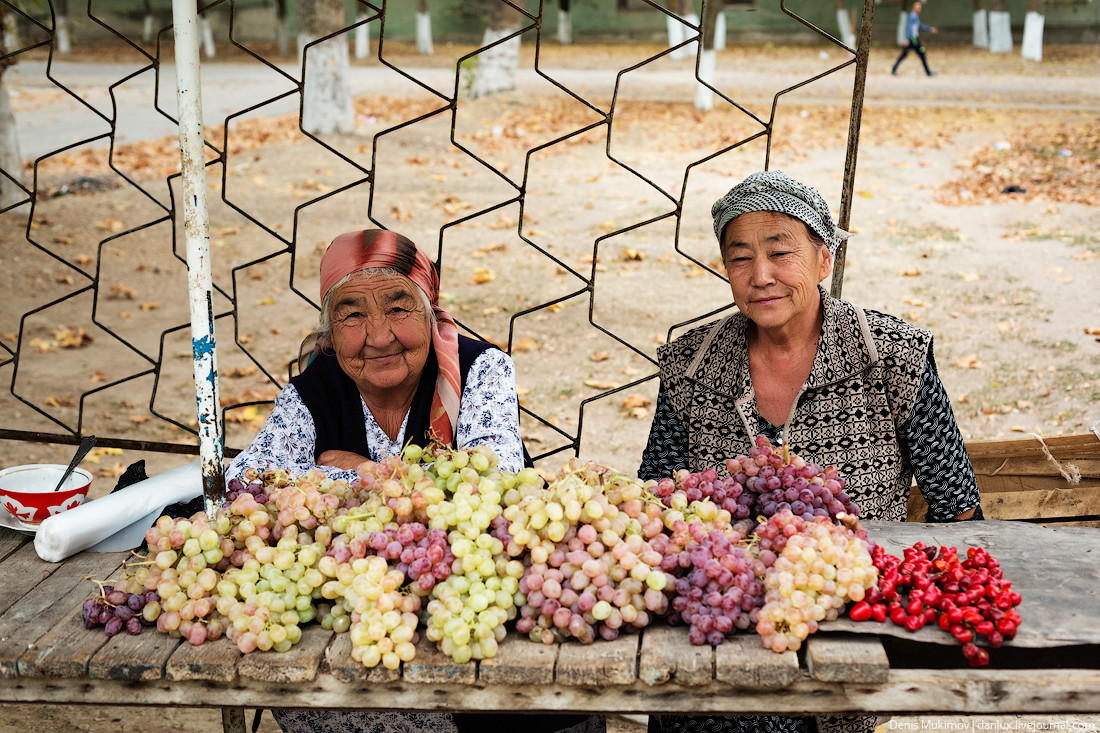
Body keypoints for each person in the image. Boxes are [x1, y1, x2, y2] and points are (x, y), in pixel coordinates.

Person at [639, 171, 982, 733]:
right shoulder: (690, 366)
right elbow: (654, 497)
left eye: (781, 252)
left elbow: (958, 509)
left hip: (846, 630)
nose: (762, 276)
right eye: (740, 258)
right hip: (718, 633)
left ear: (824, 259)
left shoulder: (892, 355)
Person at [227, 228, 602, 733]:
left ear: (431, 313)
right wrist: (389, 480)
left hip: (481, 631)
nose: (379, 336)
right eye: (353, 314)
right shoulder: (311, 392)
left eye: (399, 308)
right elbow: (246, 483)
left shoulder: (480, 370)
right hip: (368, 627)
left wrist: (349, 469)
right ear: (330, 334)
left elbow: (494, 480)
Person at [891, 1, 937, 77]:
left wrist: (930, 29)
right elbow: (909, 28)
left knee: (904, 54)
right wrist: (907, 39)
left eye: (920, 7)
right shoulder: (912, 16)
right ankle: (928, 72)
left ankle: (893, 69)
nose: (919, 8)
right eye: (918, 7)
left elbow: (919, 26)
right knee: (922, 54)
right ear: (914, 7)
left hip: (913, 39)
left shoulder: (915, 16)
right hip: (913, 40)